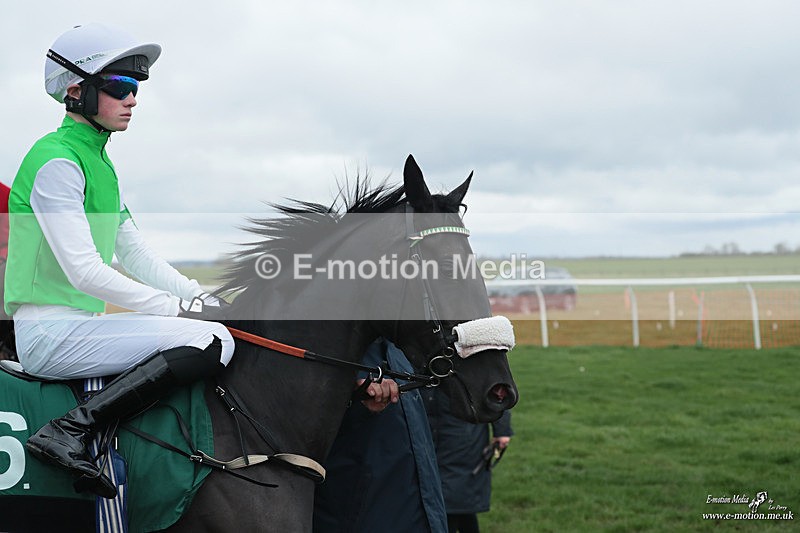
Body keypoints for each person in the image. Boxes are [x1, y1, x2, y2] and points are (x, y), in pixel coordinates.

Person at [3, 23, 235, 499]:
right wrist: (175, 309)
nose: (132, 100)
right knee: (211, 339)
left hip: (77, 325)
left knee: (215, 325)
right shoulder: (56, 161)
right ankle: (71, 429)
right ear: (76, 92)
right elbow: (84, 271)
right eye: (120, 87)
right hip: (49, 332)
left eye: (136, 89)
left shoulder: (100, 163)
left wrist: (199, 294)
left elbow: (136, 253)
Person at [313, 338, 448, 533]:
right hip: (356, 518)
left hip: (424, 516)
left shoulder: (399, 350)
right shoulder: (325, 348)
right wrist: (356, 405)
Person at [423, 388, 513, 533]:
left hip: (463, 430)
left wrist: (501, 429)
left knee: (453, 499)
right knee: (453, 501)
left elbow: (494, 382)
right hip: (428, 428)